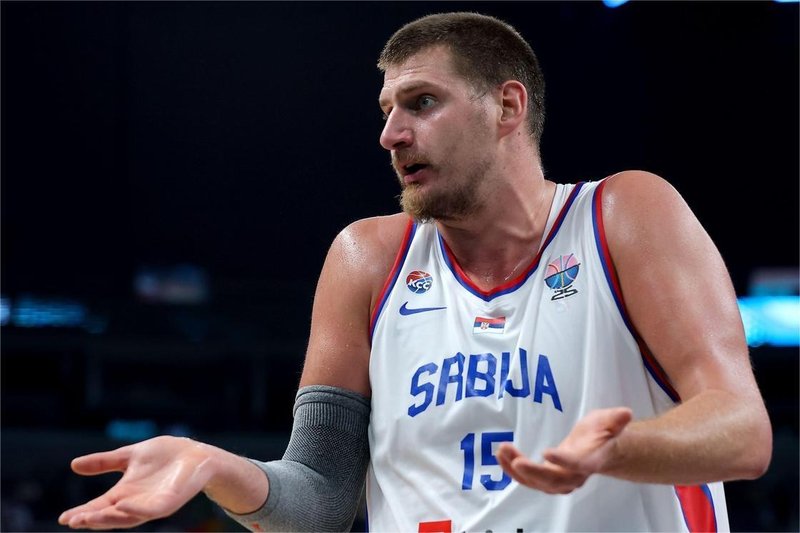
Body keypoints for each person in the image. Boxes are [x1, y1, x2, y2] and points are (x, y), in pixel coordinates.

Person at [59, 12, 772, 532]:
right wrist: (216, 465)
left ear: (507, 106)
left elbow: (742, 430)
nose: (390, 134)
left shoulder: (623, 215)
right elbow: (319, 499)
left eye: (421, 103)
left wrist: (621, 448)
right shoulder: (366, 258)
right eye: (387, 110)